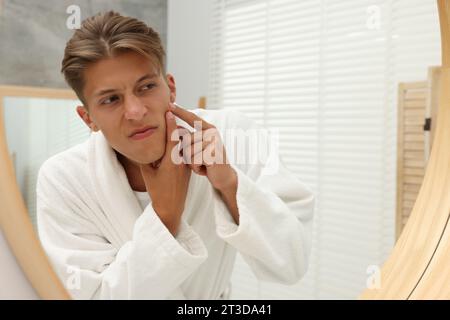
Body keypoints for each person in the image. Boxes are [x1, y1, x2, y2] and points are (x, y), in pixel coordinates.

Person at [36, 11, 315, 299]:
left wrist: (229, 184)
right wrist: (165, 216)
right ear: (87, 118)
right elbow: (94, 296)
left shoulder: (233, 135)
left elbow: (292, 262)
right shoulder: (63, 179)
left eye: (146, 87)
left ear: (170, 88)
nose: (135, 111)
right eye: (111, 99)